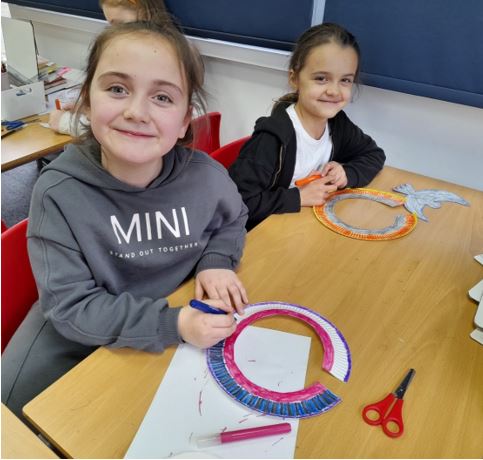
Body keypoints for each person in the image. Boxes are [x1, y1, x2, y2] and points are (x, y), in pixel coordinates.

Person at [2, 21, 248, 418]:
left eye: (163, 97)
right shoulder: (58, 194)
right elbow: (71, 308)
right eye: (117, 89)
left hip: (167, 321)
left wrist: (216, 262)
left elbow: (233, 219)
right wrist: (174, 325)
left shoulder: (206, 177)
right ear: (86, 100)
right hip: (79, 337)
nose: (136, 112)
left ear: (185, 120)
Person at [229, 23, 386, 230]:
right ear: (294, 78)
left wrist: (346, 172)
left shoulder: (337, 124)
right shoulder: (272, 139)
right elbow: (237, 203)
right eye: (321, 78)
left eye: (345, 80)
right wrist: (298, 197)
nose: (334, 91)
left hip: (304, 229)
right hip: (261, 239)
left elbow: (374, 155)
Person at [49, 0, 172, 135]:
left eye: (120, 25)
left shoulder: (160, 58)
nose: (115, 33)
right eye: (111, 26)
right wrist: (91, 108)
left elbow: (130, 132)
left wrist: (66, 123)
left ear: (145, 13)